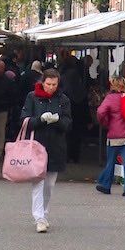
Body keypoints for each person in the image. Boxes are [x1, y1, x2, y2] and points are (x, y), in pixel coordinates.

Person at [20, 69, 71, 233]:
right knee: (38, 183)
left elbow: (68, 123)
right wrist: (40, 119)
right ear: (42, 82)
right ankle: (39, 217)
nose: (51, 87)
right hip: (37, 145)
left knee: (49, 184)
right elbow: (24, 120)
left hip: (56, 146)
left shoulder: (63, 99)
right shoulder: (32, 97)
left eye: (54, 84)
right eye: (48, 84)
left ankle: (45, 213)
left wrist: (56, 121)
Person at [95, 76, 125, 197]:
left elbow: (100, 112)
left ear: (113, 85)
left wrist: (105, 122)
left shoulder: (110, 98)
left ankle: (106, 186)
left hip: (114, 136)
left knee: (110, 162)